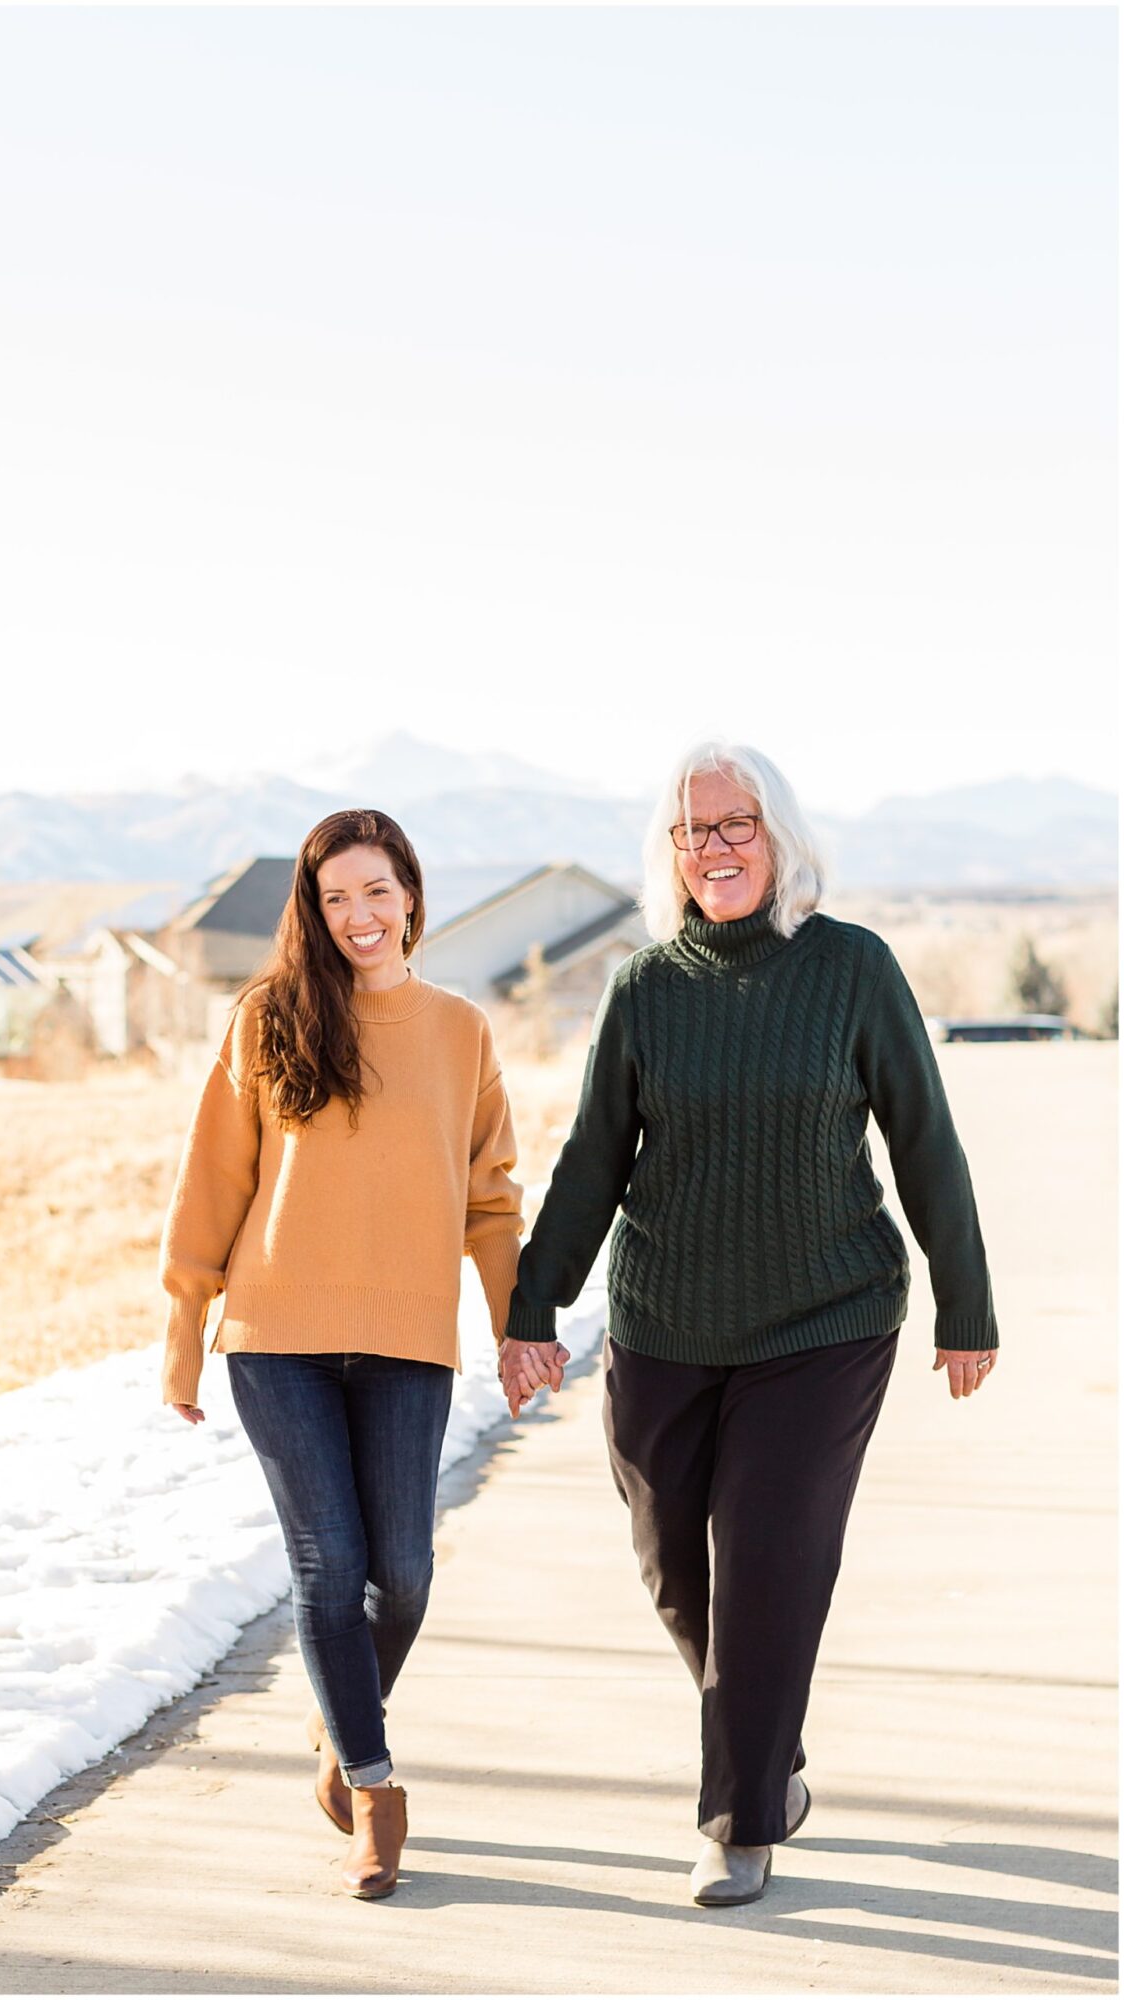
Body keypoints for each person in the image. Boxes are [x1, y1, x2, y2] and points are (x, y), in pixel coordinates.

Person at [497, 740, 998, 1908]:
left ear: (778, 835)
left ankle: (738, 1818)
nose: (713, 847)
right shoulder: (643, 988)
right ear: (666, 853)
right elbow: (589, 1166)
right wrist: (534, 1308)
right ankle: (769, 1743)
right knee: (675, 1564)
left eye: (734, 824)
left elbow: (923, 1137)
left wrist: (964, 1300)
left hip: (825, 1315)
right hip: (665, 1316)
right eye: (691, 830)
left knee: (766, 1563)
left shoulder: (851, 968)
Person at [159, 808, 524, 1900]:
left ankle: (337, 1724)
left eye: (375, 890)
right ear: (313, 914)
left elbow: (492, 1201)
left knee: (400, 1576)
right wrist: (185, 1329)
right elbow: (212, 1182)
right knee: (328, 1569)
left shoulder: (459, 1030)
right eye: (334, 898)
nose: (357, 916)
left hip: (408, 1336)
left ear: (410, 892)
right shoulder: (269, 1018)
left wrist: (514, 1327)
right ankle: (374, 1789)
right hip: (279, 1339)